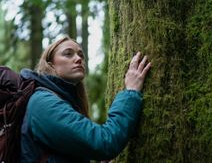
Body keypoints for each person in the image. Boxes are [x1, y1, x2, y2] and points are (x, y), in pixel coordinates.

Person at [20, 36, 152, 163]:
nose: (78, 59)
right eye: (68, 54)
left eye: (80, 55)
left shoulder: (63, 101)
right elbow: (105, 142)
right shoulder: (43, 103)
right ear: (51, 65)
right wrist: (131, 93)